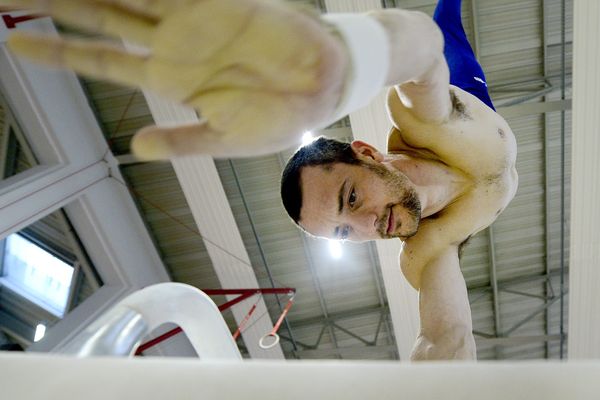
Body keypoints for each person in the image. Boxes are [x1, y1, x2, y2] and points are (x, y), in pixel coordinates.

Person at [1, 0, 517, 360]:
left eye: (351, 196)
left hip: (471, 105)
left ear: (366, 153)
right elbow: (445, 339)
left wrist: (349, 55)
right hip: (486, 149)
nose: (364, 225)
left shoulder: (424, 120)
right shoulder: (426, 253)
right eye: (344, 232)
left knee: (445, 17)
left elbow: (423, 53)